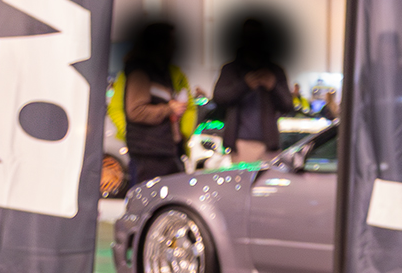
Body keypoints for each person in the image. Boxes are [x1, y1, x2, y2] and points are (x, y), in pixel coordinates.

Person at [110, 19, 193, 189]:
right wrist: (168, 109)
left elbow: (190, 107)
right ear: (159, 44)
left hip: (165, 150)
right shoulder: (139, 71)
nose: (175, 47)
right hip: (149, 153)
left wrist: (181, 135)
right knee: (149, 202)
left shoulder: (165, 72)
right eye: (171, 42)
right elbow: (133, 110)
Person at [212, 18, 293, 164]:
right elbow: (219, 98)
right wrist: (245, 85)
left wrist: (273, 86)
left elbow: (288, 105)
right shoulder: (231, 69)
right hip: (241, 143)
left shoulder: (275, 71)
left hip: (269, 145)